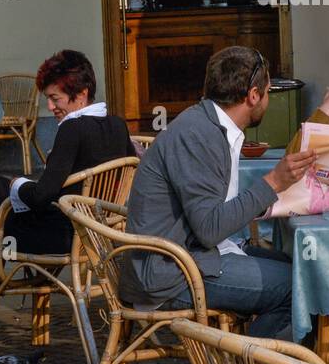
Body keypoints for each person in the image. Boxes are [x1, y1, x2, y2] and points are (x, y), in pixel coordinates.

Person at [121, 46, 316, 348]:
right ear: (253, 95)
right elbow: (209, 228)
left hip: (187, 254)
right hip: (170, 272)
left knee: (303, 267)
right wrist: (273, 182)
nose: (268, 98)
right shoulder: (201, 135)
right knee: (300, 287)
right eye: (267, 92)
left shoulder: (208, 124)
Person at [0, 49, 137, 341]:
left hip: (64, 236)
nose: (50, 107)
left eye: (55, 99)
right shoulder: (117, 124)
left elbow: (42, 195)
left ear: (81, 94)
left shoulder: (72, 129)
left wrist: (16, 183)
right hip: (97, 232)